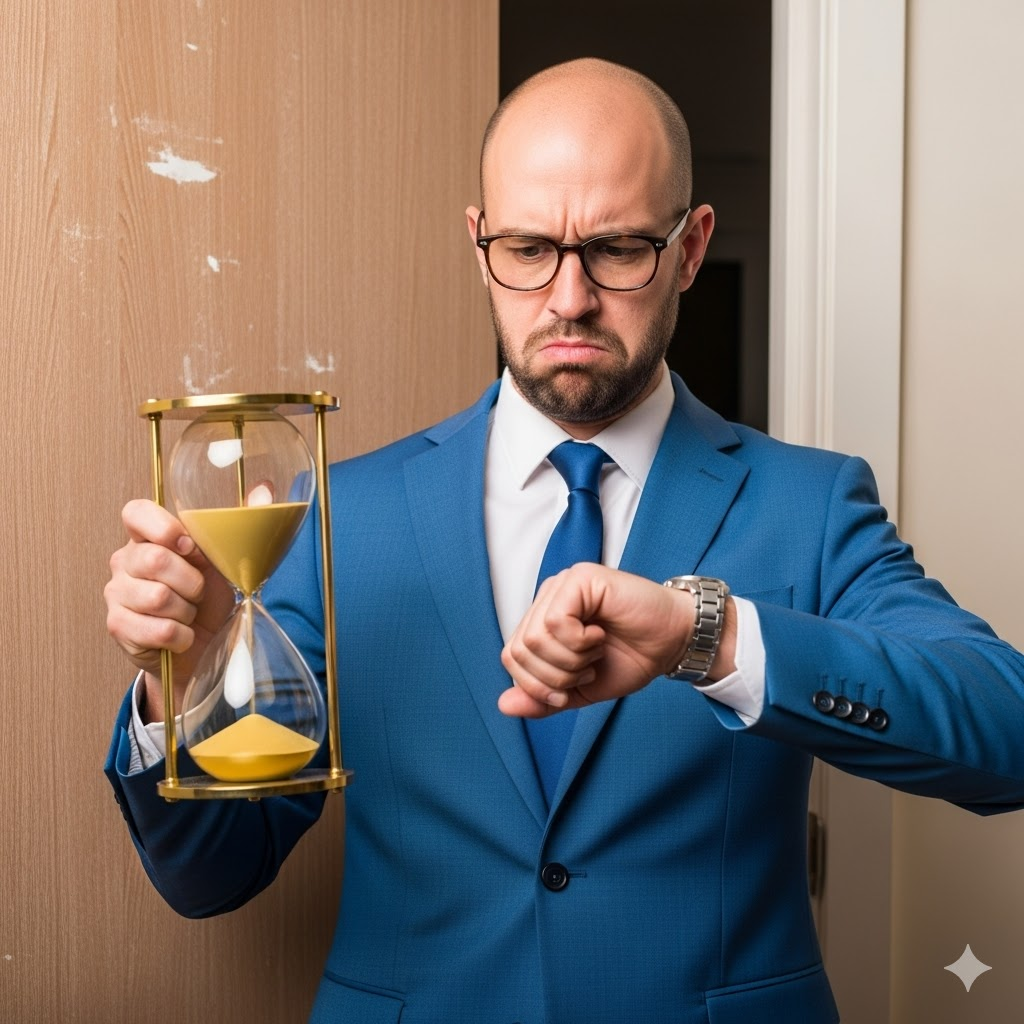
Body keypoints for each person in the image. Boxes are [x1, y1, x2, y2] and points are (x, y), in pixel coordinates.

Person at [104, 58, 1024, 1024]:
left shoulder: (809, 504)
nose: (569, 298)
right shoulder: (340, 513)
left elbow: (1005, 737)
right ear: (478, 242)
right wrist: (190, 675)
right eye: (530, 248)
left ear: (691, 245)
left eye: (618, 248)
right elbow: (208, 876)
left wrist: (701, 638)